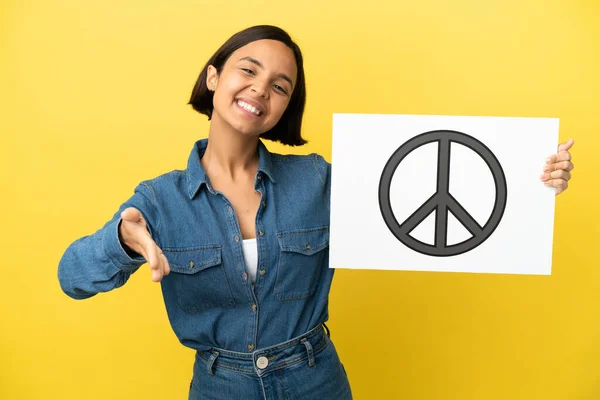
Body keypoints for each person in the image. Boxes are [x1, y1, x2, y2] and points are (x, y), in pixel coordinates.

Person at [57, 25, 575, 400]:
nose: (261, 89)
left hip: (315, 381)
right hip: (220, 388)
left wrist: (535, 179)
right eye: (248, 70)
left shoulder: (320, 179)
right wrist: (122, 244)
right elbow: (71, 278)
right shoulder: (157, 201)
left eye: (280, 86)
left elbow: (430, 190)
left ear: (285, 107)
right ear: (213, 77)